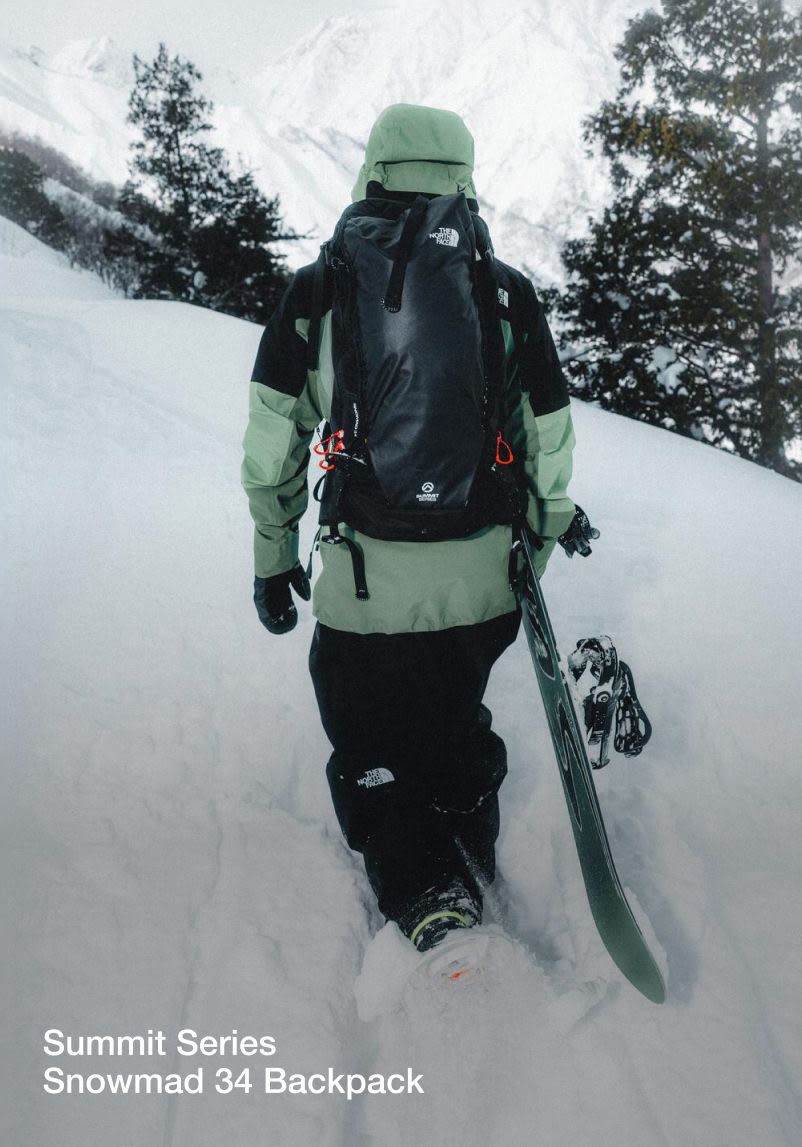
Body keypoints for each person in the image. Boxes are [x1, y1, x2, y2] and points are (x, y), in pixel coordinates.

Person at [241, 103, 590, 954]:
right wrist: (529, 552)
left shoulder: (318, 289)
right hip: (481, 584)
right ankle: (471, 843)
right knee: (455, 716)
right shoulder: (503, 290)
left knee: (367, 737)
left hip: (365, 586)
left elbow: (272, 442)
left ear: (375, 168)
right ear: (464, 178)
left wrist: (272, 557)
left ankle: (426, 893)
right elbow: (548, 436)